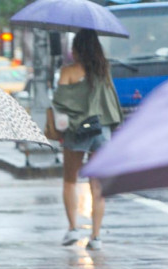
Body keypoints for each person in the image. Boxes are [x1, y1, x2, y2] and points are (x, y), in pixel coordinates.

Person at [53, 29, 122, 250]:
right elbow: (111, 101)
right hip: (101, 129)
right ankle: (96, 236)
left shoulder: (68, 71)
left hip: (77, 131)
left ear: (77, 49)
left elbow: (60, 102)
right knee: (98, 185)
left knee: (70, 180)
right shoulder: (103, 70)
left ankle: (73, 228)